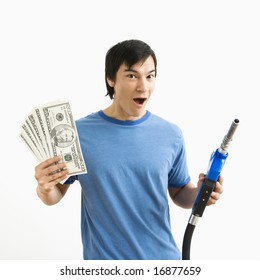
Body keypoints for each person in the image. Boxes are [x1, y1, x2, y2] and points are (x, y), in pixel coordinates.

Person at [34, 39, 223, 260]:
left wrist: (202, 193)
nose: (143, 86)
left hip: (163, 263)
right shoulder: (76, 134)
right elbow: (55, 194)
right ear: (110, 79)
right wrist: (44, 188)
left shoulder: (171, 134)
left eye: (150, 76)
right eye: (132, 76)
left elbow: (180, 193)